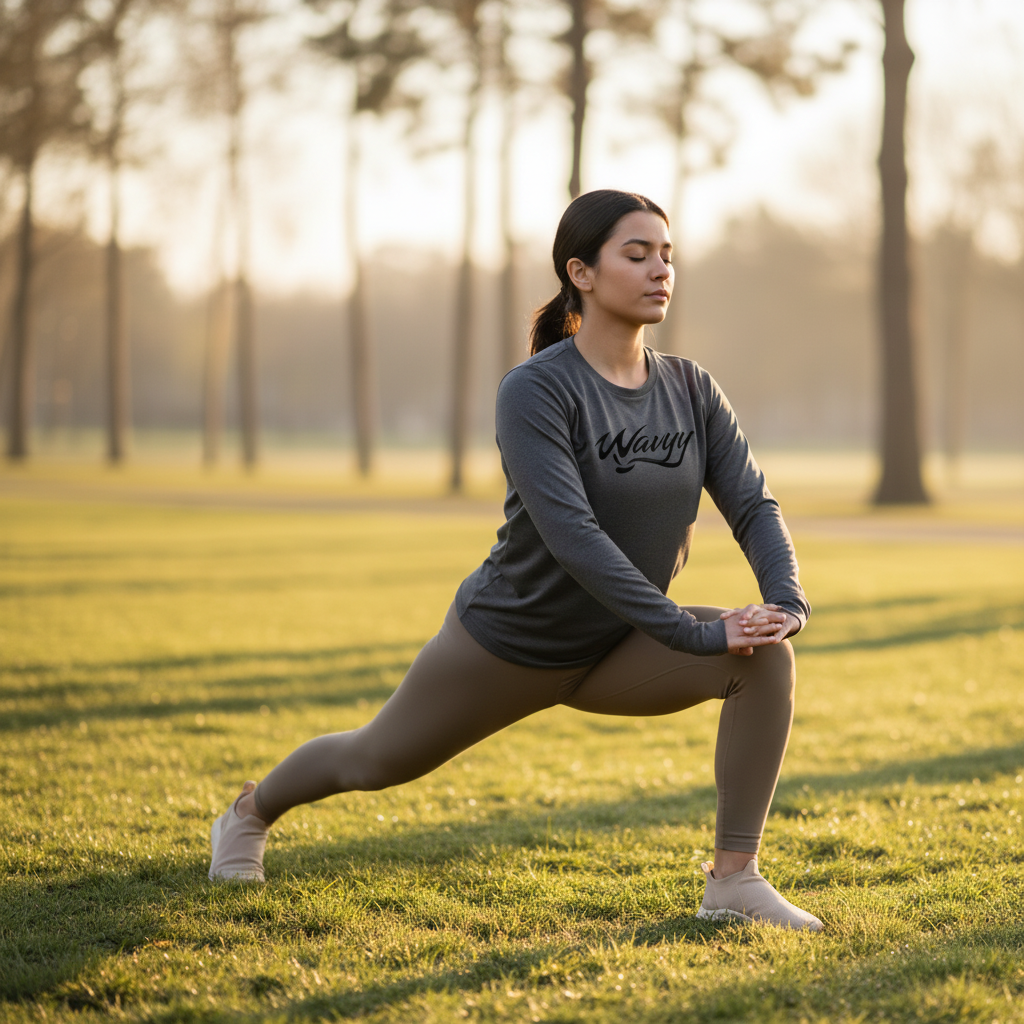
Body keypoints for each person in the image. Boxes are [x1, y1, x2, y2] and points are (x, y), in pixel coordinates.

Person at [208, 189, 821, 931]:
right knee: (372, 761)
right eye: (637, 254)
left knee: (762, 660)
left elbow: (753, 506)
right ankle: (250, 811)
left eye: (667, 255)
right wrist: (693, 631)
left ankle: (733, 882)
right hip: (506, 643)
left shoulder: (691, 388)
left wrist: (785, 601)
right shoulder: (536, 389)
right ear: (581, 273)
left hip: (621, 642)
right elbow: (574, 537)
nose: (661, 269)